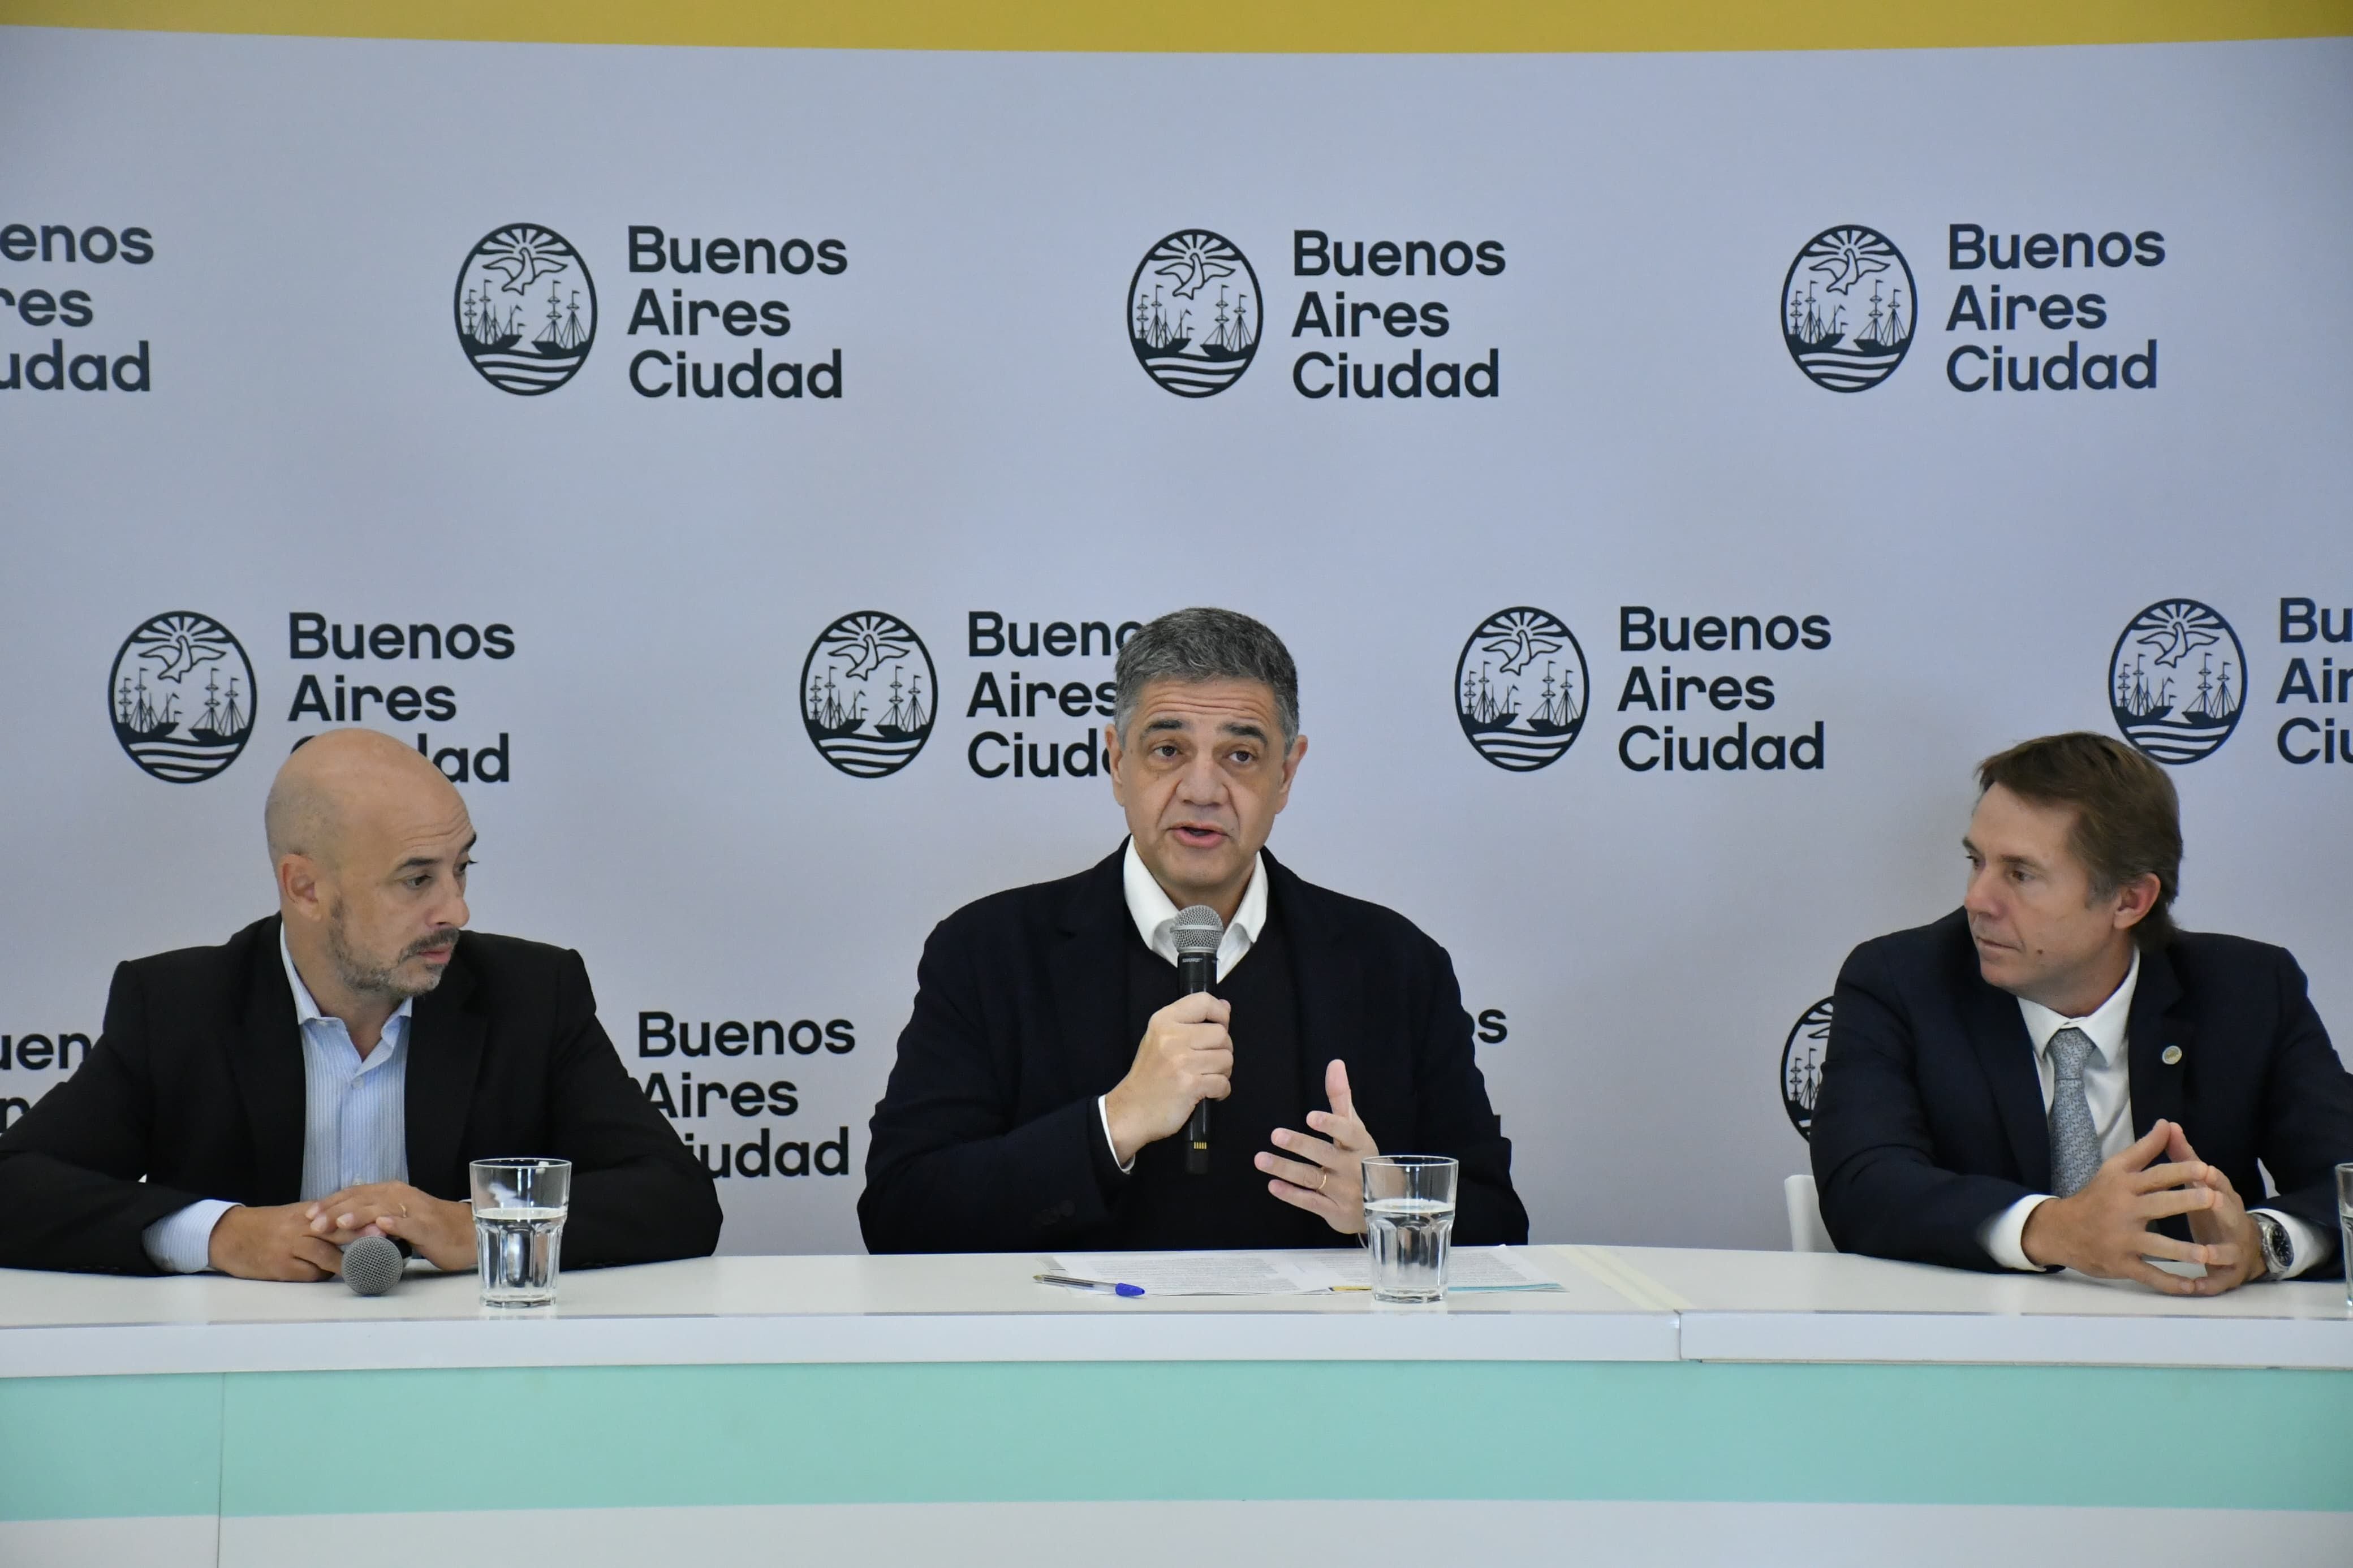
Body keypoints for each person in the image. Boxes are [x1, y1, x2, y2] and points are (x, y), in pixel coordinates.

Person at [859, 607, 1527, 1253]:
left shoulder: (1396, 965)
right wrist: (1113, 1122)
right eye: (1168, 749)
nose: (1202, 789)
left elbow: (1500, 1223)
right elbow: (900, 1215)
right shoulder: (988, 955)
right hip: (1075, 1363)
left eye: (1240, 754)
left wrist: (1385, 1206)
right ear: (1117, 762)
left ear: (1287, 774)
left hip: (1313, 1365)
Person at [0, 728, 719, 1278]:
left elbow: (678, 1199)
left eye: (460, 868)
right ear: (305, 888)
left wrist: (475, 1229)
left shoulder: (532, 995)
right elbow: (16, 1187)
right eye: (416, 880)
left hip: (477, 1388)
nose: (457, 909)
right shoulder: (178, 1008)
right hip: (241, 1393)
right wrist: (222, 1235)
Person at [1812, 732, 2352, 1294]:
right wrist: (2053, 1229)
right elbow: (1861, 1184)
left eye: (2019, 874)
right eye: (1977, 861)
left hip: (2193, 1348)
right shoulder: (1900, 981)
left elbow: (2344, 1174)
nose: (1976, 899)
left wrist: (2259, 1244)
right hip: (1970, 1351)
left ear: (2128, 900)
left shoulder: (2247, 991)